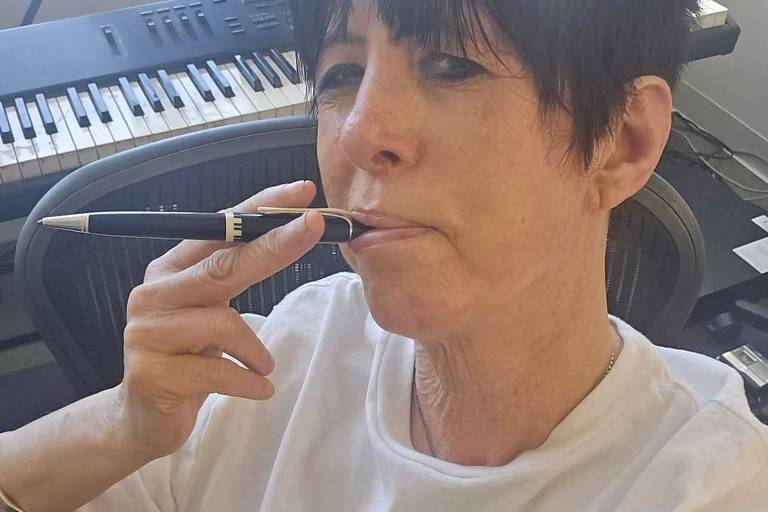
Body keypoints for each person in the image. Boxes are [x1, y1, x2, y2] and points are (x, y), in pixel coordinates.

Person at [1, 0, 767, 510]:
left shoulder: (710, 485)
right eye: (341, 75)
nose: (361, 133)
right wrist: (126, 424)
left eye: (452, 65)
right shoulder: (283, 350)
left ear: (622, 142)